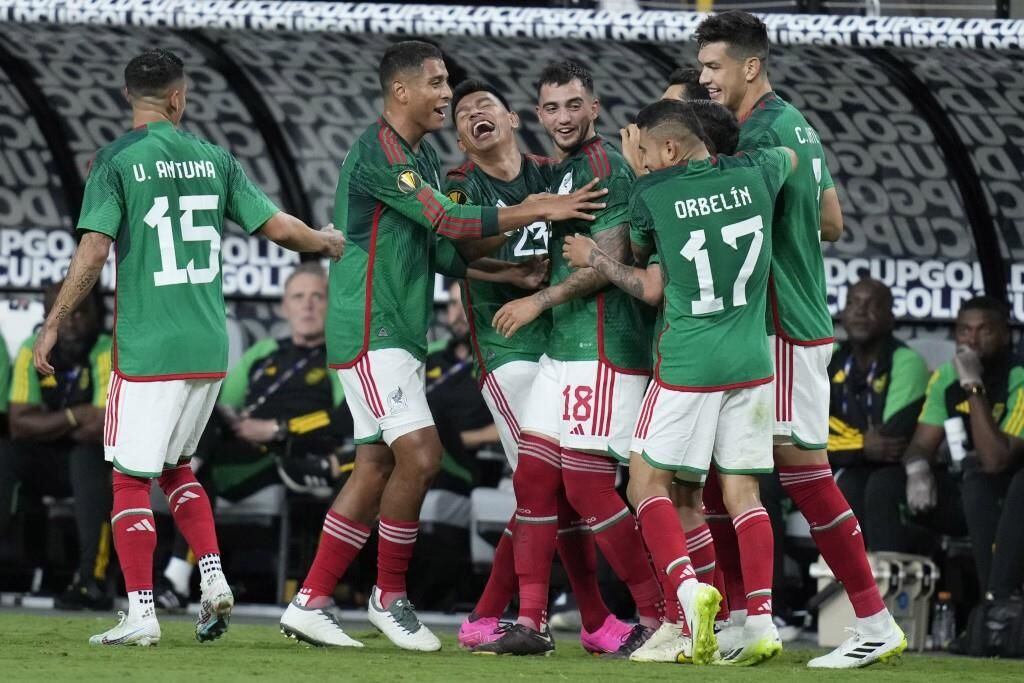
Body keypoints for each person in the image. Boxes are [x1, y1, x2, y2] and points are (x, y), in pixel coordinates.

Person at [278, 41, 608, 652]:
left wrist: (506, 274)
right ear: (400, 91)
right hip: (370, 328)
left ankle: (311, 599)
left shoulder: (421, 161)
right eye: (436, 84)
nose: (445, 94)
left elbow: (442, 251)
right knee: (423, 456)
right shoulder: (381, 152)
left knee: (377, 463)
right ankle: (389, 596)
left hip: (399, 332)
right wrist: (533, 206)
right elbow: (449, 223)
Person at [32, 48, 344, 647]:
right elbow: (279, 227)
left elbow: (94, 251)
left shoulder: (116, 160)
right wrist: (324, 242)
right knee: (177, 469)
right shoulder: (214, 158)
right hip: (208, 345)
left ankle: (142, 613)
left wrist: (53, 321)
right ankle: (214, 577)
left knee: (127, 479)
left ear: (131, 98)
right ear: (180, 98)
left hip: (149, 348)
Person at [696, 11, 905, 668]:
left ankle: (872, 620)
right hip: (788, 323)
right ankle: (739, 614)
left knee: (803, 474)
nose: (704, 79)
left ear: (750, 66)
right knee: (726, 473)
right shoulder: (795, 126)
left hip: (783, 327)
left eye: (713, 66)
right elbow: (834, 221)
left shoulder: (761, 135)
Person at [566, 99, 795, 665]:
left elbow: (647, 284)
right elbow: (790, 154)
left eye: (644, 150)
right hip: (751, 361)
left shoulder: (651, 194)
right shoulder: (757, 171)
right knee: (743, 495)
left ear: (666, 149)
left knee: (645, 485)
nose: (638, 159)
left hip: (688, 363)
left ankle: (689, 597)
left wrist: (596, 257)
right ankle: (760, 621)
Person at [476, 59, 663, 657]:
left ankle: (657, 615)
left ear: (595, 107)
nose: (562, 117)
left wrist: (539, 299)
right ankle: (530, 621)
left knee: (586, 488)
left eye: (572, 105)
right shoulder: (563, 173)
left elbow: (602, 262)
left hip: (604, 347)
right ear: (537, 114)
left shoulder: (606, 167)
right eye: (551, 107)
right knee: (533, 479)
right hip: (565, 346)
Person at [442, 79, 633, 655]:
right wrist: (507, 274)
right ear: (461, 137)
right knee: (544, 484)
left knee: (554, 488)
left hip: (559, 344)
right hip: (505, 350)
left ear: (511, 118)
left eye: (486, 106)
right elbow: (450, 251)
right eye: (464, 113)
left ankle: (489, 616)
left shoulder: (553, 171)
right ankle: (590, 619)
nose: (476, 114)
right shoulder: (459, 186)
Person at [154, 263, 353, 610]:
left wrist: (279, 428)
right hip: (242, 450)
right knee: (207, 402)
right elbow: (226, 403)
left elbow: (341, 418)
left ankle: (176, 578)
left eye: (317, 297)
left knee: (198, 468)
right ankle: (191, 468)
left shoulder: (339, 355)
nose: (308, 305)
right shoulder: (264, 353)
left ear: (330, 304)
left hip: (291, 454)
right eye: (299, 297)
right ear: (284, 307)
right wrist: (234, 419)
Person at [901, 297, 1024, 602]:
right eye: (965, 331)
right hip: (966, 488)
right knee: (885, 486)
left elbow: (996, 460)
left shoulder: (1018, 376)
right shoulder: (946, 376)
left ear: (1005, 334)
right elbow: (921, 444)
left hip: (1008, 493)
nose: (972, 339)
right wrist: (917, 469)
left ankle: (993, 607)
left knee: (979, 484)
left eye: (985, 330)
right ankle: (886, 610)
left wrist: (972, 385)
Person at [2, 285, 112, 610]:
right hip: (48, 461)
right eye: (64, 313)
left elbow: (104, 423)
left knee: (88, 455)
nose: (74, 322)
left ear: (96, 315)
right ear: (48, 317)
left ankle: (92, 581)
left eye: (81, 312)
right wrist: (74, 415)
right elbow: (18, 423)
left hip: (96, 461)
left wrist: (49, 424)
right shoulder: (31, 350)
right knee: (6, 454)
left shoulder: (106, 349)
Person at [826, 279, 943, 552]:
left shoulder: (906, 361)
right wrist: (862, 444)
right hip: (841, 464)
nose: (859, 311)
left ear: (890, 317)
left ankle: (879, 587)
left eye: (872, 305)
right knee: (771, 482)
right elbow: (811, 426)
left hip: (890, 470)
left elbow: (892, 439)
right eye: (853, 303)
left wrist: (844, 440)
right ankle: (774, 591)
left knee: (870, 486)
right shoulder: (830, 357)